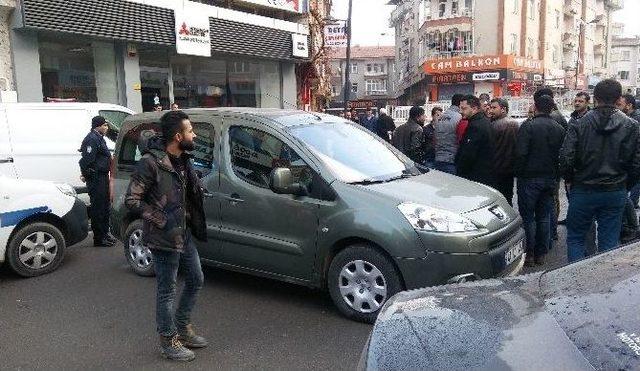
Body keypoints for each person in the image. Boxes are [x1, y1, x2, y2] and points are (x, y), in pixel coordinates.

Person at [125, 111, 209, 362]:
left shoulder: (184, 159)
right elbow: (132, 199)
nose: (193, 134)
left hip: (184, 234)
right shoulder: (151, 163)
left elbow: (183, 190)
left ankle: (182, 327)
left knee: (196, 279)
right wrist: (161, 219)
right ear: (177, 135)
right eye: (190, 130)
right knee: (167, 291)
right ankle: (168, 339)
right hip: (164, 237)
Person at [560, 79, 640, 263]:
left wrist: (570, 180)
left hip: (583, 189)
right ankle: (603, 288)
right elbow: (636, 164)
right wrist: (624, 185)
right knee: (609, 243)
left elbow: (565, 158)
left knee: (576, 238)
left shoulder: (578, 124)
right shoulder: (632, 126)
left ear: (594, 98)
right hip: (615, 190)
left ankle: (575, 284)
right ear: (619, 99)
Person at [515, 95, 566, 266]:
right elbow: (562, 155)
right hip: (549, 178)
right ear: (552, 108)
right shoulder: (559, 128)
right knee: (544, 216)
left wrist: (519, 173)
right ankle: (541, 253)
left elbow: (520, 154)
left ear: (535, 107)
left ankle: (529, 253)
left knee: (528, 217)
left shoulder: (528, 126)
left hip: (529, 178)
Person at [534, 87, 567, 241]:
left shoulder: (552, 118)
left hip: (545, 168)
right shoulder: (559, 116)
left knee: (549, 202)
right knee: (553, 200)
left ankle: (550, 233)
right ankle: (552, 231)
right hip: (554, 167)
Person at [79, 116, 115, 247]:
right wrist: (86, 174)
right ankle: (99, 238)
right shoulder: (91, 139)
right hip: (96, 178)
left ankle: (105, 234)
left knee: (105, 207)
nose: (106, 127)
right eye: (104, 125)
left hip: (103, 177)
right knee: (98, 208)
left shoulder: (99, 138)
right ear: (98, 126)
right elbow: (86, 161)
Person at [455, 95, 496, 187]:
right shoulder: (483, 121)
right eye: (460, 108)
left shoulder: (476, 126)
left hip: (475, 177)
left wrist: (460, 171)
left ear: (474, 108)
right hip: (482, 175)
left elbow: (468, 154)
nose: (461, 112)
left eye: (464, 108)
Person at [615, 94, 640, 241]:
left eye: (619, 105)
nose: (617, 108)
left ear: (628, 105)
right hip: (628, 167)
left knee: (625, 197)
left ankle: (632, 228)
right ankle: (629, 226)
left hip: (631, 167)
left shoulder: (634, 121)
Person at [487, 98, 518, 205]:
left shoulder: (492, 126)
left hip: (495, 170)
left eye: (494, 108)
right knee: (508, 200)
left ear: (503, 109)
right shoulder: (515, 124)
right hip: (509, 171)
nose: (490, 110)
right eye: (490, 107)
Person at [434, 94, 464, 174]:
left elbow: (435, 138)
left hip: (438, 158)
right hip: (452, 160)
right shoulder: (460, 118)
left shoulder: (440, 117)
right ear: (460, 103)